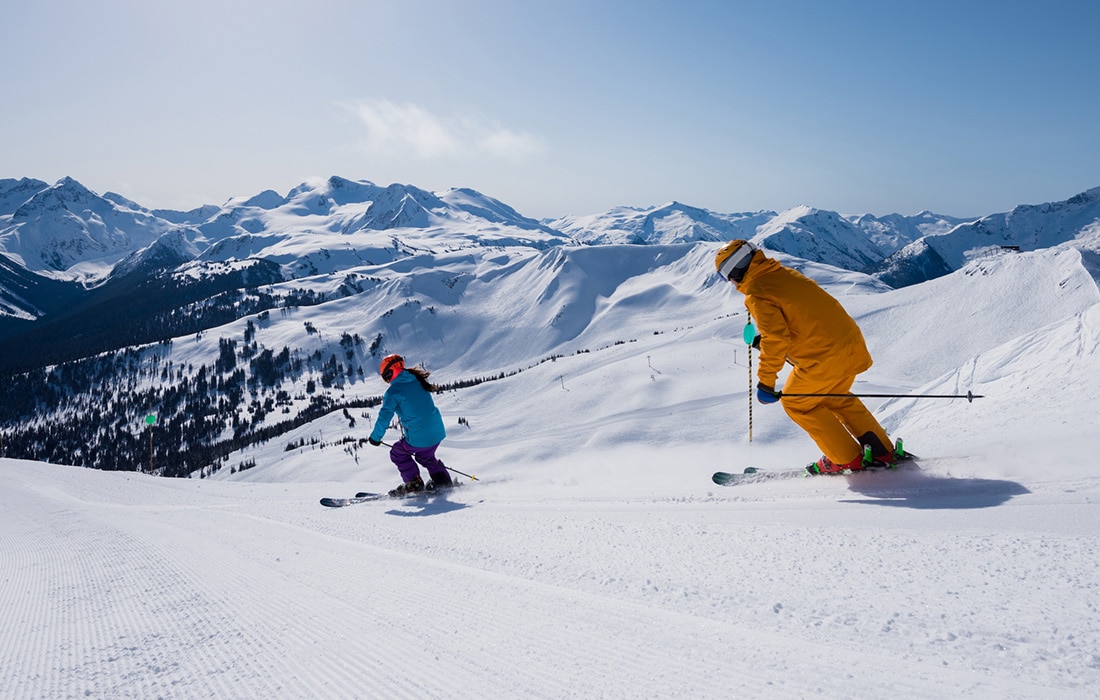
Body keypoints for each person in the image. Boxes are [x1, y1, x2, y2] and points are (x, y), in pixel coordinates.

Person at [715, 240, 898, 474]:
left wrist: (766, 383)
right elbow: (805, 323)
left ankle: (845, 458)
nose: (728, 282)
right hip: (851, 347)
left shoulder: (758, 292)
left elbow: (777, 339)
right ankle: (883, 450)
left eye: (724, 276)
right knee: (835, 396)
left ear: (735, 270)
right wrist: (767, 344)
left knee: (796, 402)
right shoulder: (785, 275)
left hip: (826, 358)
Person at [367, 354, 453, 495]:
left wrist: (375, 437)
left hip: (419, 436)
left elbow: (384, 417)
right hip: (437, 431)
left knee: (397, 453)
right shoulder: (417, 380)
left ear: (391, 371)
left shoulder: (393, 392)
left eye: (386, 376)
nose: (387, 380)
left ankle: (415, 484)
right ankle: (443, 482)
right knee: (425, 457)